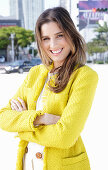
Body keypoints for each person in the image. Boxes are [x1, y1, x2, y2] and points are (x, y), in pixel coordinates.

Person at [0, 7, 98, 170]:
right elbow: (3, 117)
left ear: (71, 34)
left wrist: (22, 128)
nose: (53, 45)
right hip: (27, 163)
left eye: (59, 35)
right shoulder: (35, 73)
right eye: (46, 38)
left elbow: (65, 136)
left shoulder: (84, 76)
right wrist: (40, 119)